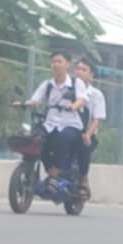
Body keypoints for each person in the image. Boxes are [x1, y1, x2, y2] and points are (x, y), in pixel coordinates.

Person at [25, 51, 86, 187]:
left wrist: (73, 105)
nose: (55, 64)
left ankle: (57, 170)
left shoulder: (76, 83)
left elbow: (81, 99)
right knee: (37, 140)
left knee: (62, 137)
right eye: (53, 61)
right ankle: (50, 170)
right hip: (50, 123)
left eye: (59, 61)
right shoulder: (47, 85)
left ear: (67, 64)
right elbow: (34, 100)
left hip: (71, 124)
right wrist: (24, 104)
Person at [73, 57, 105, 195]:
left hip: (87, 133)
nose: (79, 72)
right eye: (78, 69)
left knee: (84, 145)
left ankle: (83, 178)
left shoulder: (96, 95)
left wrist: (88, 135)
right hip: (69, 131)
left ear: (91, 74)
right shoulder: (68, 89)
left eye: (83, 70)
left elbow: (97, 119)